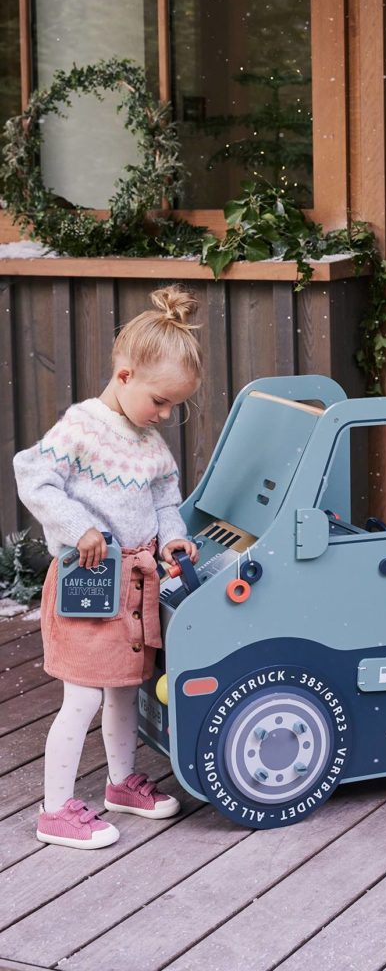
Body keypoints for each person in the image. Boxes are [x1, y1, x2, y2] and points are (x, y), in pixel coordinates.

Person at [13, 285, 202, 850]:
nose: (166, 415)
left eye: (174, 406)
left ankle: (121, 784)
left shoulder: (149, 443)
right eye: (160, 401)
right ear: (124, 376)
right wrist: (80, 529)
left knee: (126, 690)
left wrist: (172, 540)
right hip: (89, 585)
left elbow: (167, 499)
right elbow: (34, 477)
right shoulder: (83, 427)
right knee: (84, 696)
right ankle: (55, 811)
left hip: (136, 586)